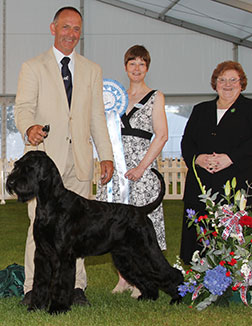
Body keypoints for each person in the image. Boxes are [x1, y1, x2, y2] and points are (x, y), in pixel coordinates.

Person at [14, 7, 114, 306]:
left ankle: (75, 288)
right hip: (44, 164)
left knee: (77, 230)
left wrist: (106, 156)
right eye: (66, 27)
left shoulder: (92, 69)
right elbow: (23, 108)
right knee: (39, 228)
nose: (71, 34)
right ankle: (33, 287)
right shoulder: (33, 66)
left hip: (80, 161)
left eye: (76, 29)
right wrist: (29, 127)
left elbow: (97, 116)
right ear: (53, 28)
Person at [97, 45, 168, 297]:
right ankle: (123, 278)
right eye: (132, 63)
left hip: (141, 167)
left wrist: (141, 167)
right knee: (115, 224)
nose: (136, 68)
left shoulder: (156, 96)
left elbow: (161, 136)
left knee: (140, 227)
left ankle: (143, 279)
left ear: (147, 67)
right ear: (125, 66)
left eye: (141, 64)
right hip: (116, 168)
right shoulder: (115, 96)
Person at [180, 61, 252, 264]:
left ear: (241, 83)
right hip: (201, 186)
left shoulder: (249, 109)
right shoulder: (200, 110)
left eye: (233, 80)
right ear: (215, 83)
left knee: (233, 242)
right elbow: (186, 142)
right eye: (222, 80)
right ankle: (199, 281)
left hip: (236, 186)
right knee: (198, 239)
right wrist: (198, 159)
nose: (227, 84)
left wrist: (230, 158)